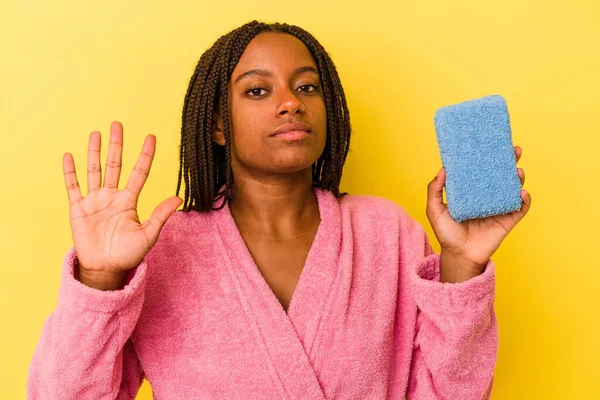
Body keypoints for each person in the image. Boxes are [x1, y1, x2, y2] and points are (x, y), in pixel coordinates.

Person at [27, 20, 531, 399]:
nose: (291, 102)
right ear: (218, 125)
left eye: (307, 86)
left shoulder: (386, 232)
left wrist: (462, 267)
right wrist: (98, 281)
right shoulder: (164, 251)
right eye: (258, 90)